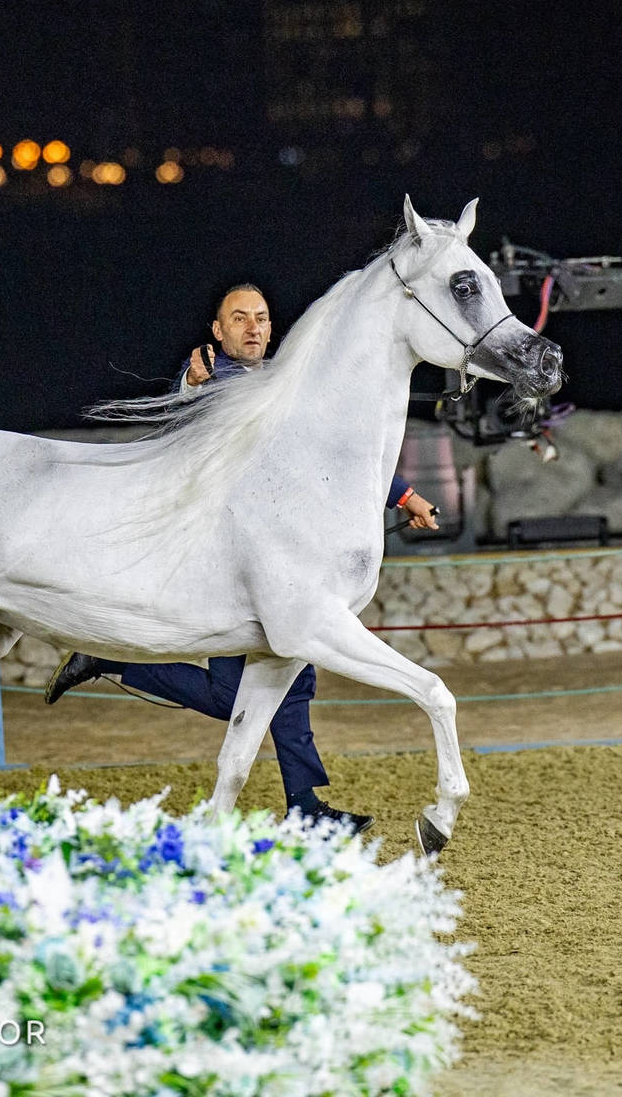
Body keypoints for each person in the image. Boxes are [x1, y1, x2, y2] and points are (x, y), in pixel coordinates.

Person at [45, 282, 441, 832]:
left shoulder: (289, 383)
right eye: (239, 318)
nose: (253, 327)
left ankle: (304, 806)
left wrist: (404, 496)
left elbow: (340, 458)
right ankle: (113, 661)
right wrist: (190, 383)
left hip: (278, 563)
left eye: (260, 317)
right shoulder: (211, 375)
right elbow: (182, 413)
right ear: (218, 331)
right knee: (231, 695)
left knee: (295, 681)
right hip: (226, 565)